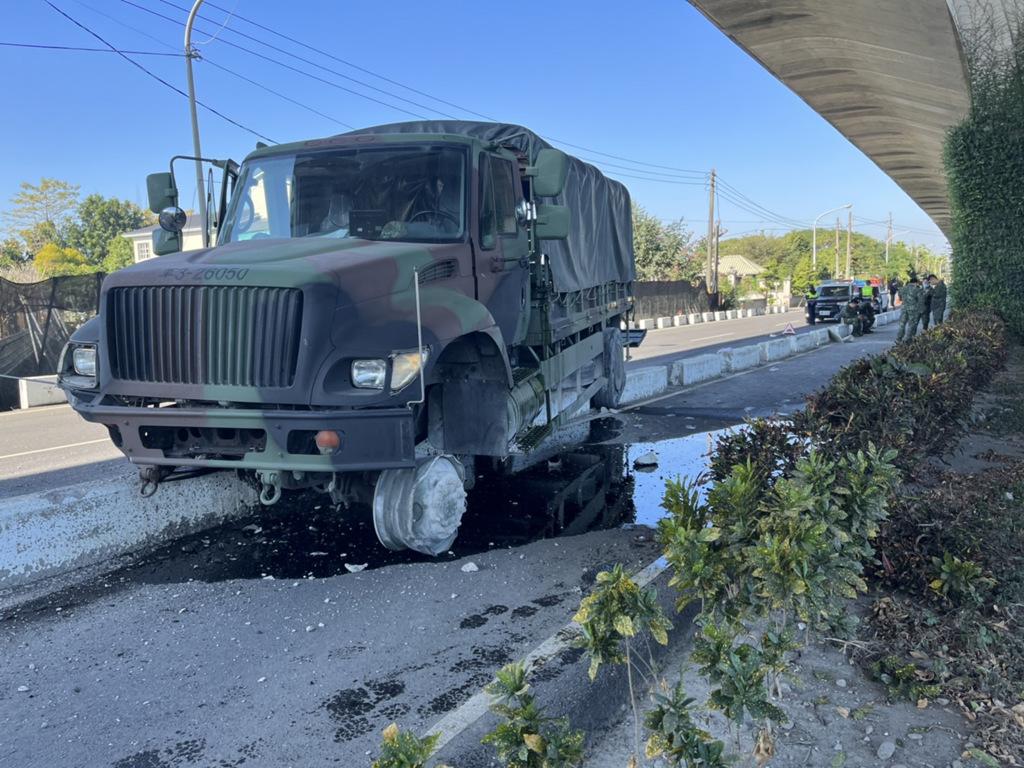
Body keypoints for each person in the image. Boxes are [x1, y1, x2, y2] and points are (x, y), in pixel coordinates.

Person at [895, 276, 924, 342]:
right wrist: (921, 310)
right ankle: (908, 338)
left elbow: (900, 298)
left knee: (902, 324)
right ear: (916, 283)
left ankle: (899, 338)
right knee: (912, 324)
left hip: (903, 308)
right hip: (913, 309)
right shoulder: (917, 289)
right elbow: (921, 300)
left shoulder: (902, 289)